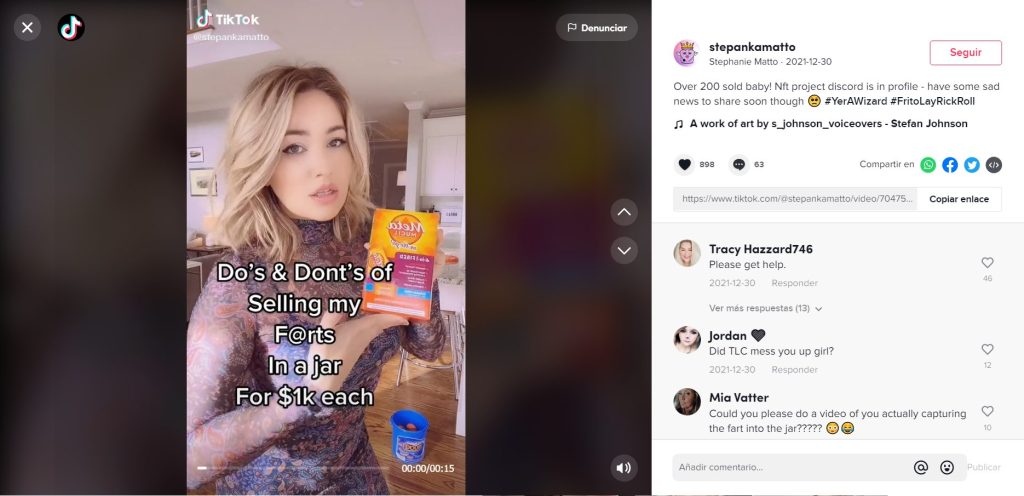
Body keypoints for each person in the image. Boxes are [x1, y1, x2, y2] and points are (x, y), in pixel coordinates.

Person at [185, 66, 446, 494]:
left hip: (358, 470)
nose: (323, 167)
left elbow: (429, 348)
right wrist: (308, 392)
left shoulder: (374, 242)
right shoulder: (240, 281)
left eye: (335, 141)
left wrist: (424, 284)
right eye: (293, 148)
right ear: (261, 161)